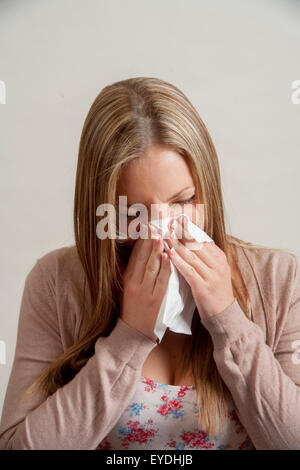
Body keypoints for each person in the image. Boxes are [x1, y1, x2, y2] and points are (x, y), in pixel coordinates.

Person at [0, 77, 300, 450]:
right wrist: (130, 335)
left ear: (207, 187)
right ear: (102, 208)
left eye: (183, 200)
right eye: (135, 213)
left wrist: (228, 320)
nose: (162, 231)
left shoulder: (279, 279)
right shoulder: (56, 282)